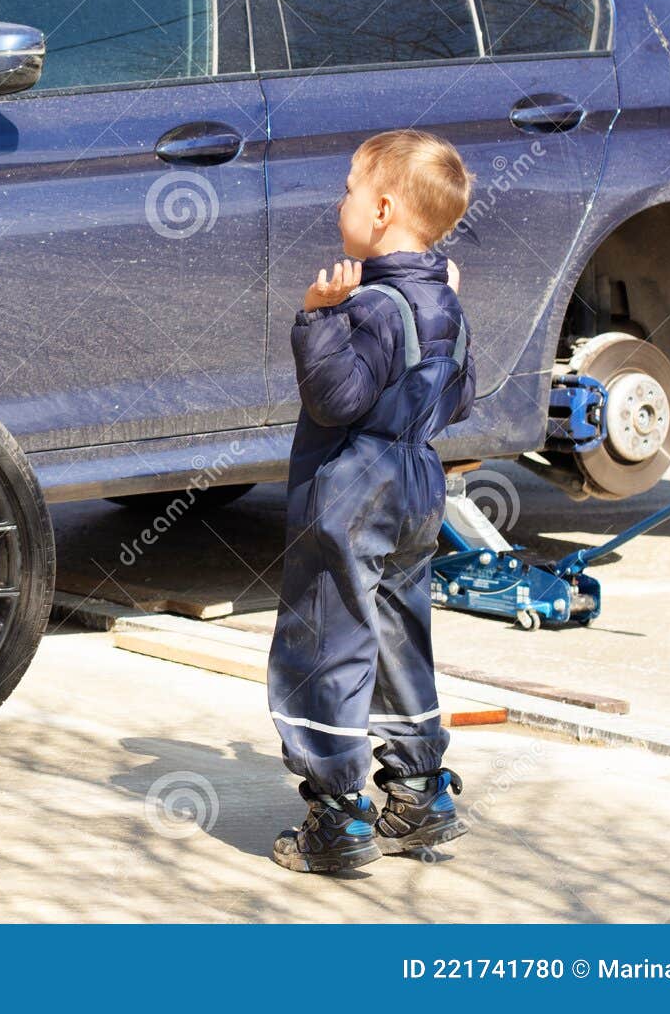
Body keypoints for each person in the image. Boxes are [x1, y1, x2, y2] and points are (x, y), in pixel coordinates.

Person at [265, 129, 477, 874]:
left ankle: (338, 815)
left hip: (354, 487)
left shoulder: (371, 306)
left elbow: (335, 399)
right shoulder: (444, 302)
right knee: (396, 630)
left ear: (383, 209)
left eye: (350, 189)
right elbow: (461, 399)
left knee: (330, 637)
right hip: (419, 483)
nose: (340, 202)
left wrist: (318, 319)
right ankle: (419, 793)